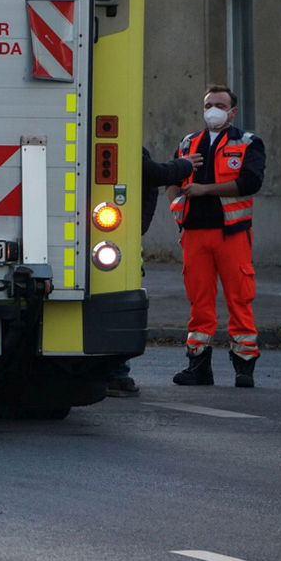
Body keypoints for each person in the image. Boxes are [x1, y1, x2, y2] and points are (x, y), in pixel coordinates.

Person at [166, 84, 266, 388]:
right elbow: (171, 176)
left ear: (232, 112)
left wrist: (204, 190)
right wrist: (176, 204)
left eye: (221, 105)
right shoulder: (188, 142)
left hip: (231, 234)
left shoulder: (248, 142)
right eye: (210, 104)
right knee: (199, 302)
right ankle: (198, 366)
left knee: (240, 298)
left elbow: (250, 182)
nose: (214, 110)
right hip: (194, 233)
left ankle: (244, 367)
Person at [106, 146, 202, 397]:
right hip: (120, 240)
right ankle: (117, 374)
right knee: (120, 303)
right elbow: (152, 173)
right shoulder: (126, 140)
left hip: (120, 237)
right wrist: (184, 165)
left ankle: (115, 373)